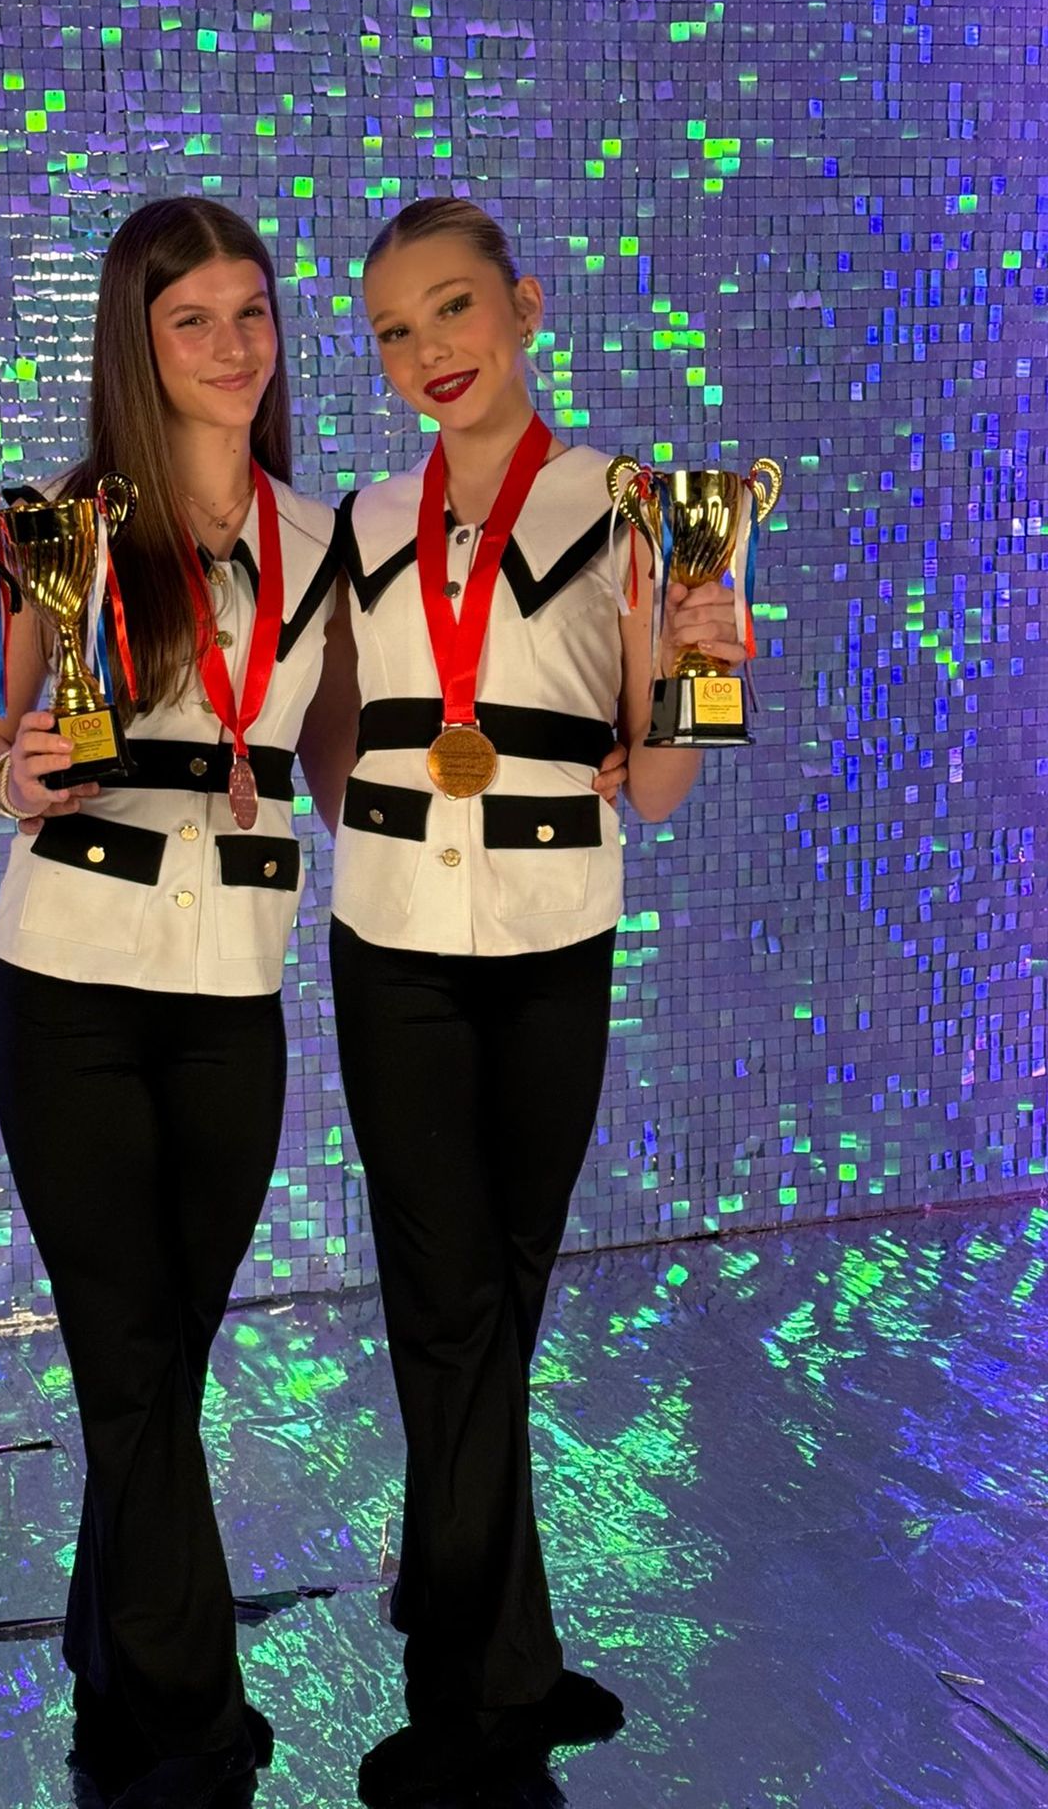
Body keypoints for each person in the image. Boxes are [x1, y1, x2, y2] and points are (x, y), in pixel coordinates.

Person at [313, 197, 745, 1807]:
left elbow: (668, 778)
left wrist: (706, 661)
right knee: (447, 1301)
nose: (429, 349)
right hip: (394, 939)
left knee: (502, 1292)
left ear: (525, 307)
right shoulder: (362, 522)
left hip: (558, 931)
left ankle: (489, 1632)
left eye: (453, 308)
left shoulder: (632, 508)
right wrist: (368, 812)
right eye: (394, 330)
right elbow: (330, 728)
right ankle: (472, 1696)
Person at [0, 196, 339, 1809]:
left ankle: (106, 1632)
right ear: (139, 341)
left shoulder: (325, 543)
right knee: (125, 1352)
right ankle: (191, 1725)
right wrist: (20, 771)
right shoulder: (58, 525)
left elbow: (347, 767)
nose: (234, 347)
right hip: (69, 986)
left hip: (232, 989)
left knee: (168, 1353)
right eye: (194, 321)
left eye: (252, 313)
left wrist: (569, 748)